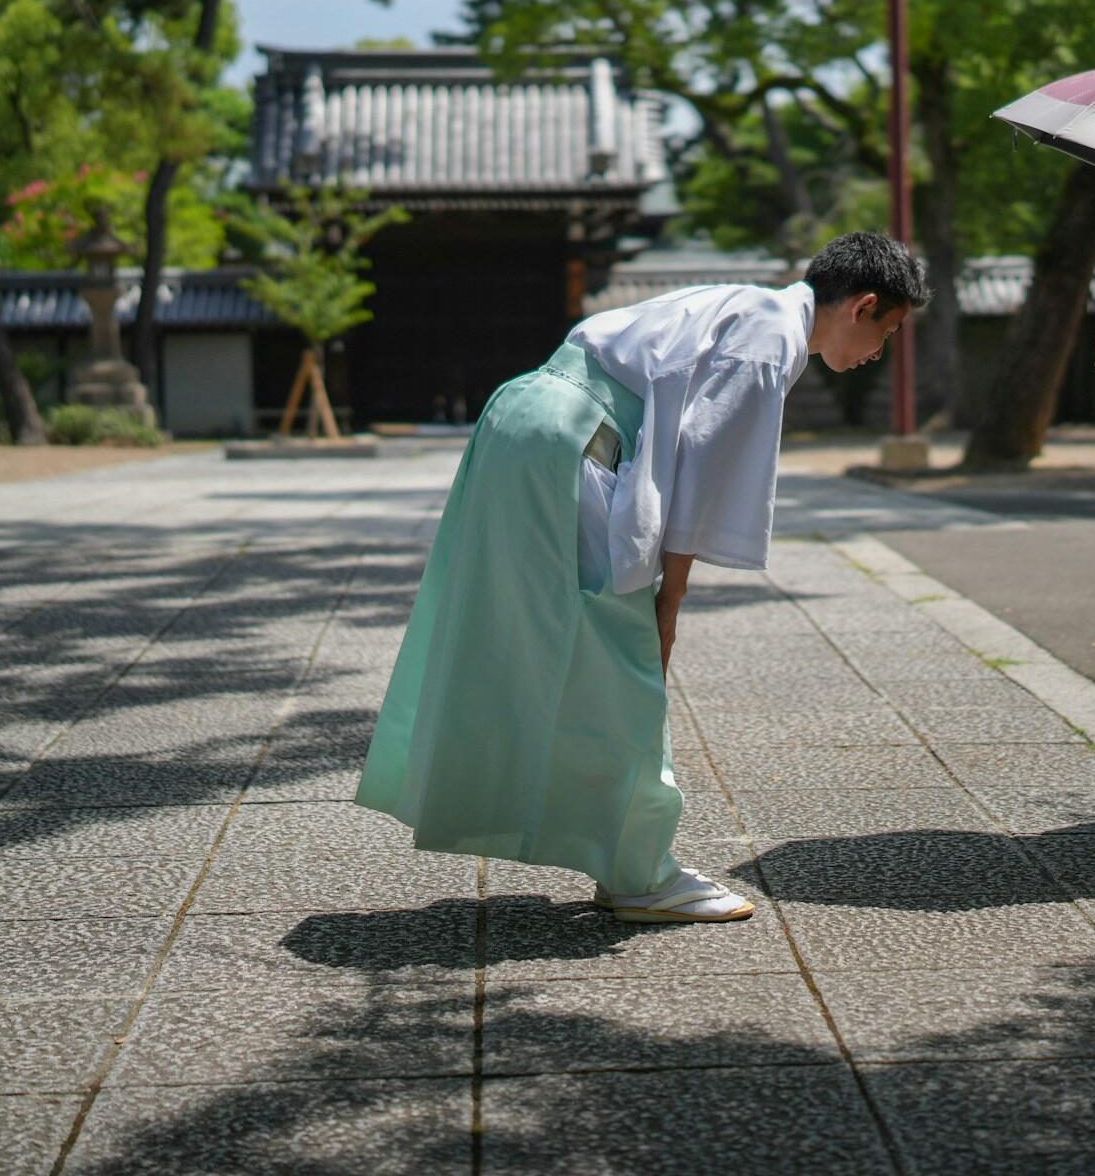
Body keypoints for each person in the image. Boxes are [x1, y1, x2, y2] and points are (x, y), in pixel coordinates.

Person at [355, 232, 930, 921]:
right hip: (569, 439)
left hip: (526, 420)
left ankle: (593, 843)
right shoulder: (771, 334)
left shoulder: (749, 307)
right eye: (887, 333)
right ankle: (639, 871)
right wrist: (669, 603)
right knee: (622, 659)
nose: (879, 354)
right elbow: (701, 465)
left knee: (506, 629)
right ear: (863, 305)